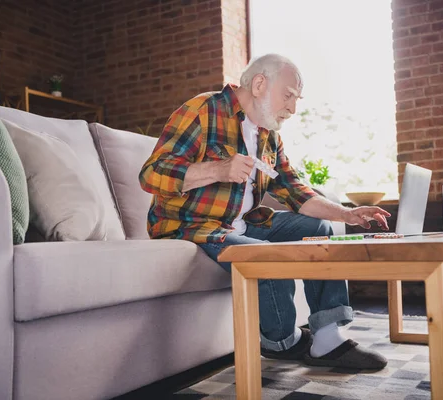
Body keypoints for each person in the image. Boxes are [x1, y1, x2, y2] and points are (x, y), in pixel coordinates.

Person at [139, 54, 391, 370]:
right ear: (259, 84)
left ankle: (328, 339)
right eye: (288, 95)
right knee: (266, 255)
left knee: (320, 230)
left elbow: (295, 191)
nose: (293, 108)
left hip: (242, 224)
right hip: (190, 227)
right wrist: (217, 169)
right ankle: (281, 343)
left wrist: (348, 214)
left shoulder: (268, 135)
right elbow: (151, 174)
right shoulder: (203, 111)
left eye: (297, 99)